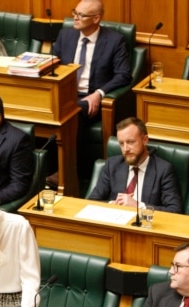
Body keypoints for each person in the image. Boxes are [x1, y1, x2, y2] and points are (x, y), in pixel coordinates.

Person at [51, 0, 132, 184]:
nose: (75, 17)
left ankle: (68, 173)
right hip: (63, 94)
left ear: (96, 18)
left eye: (81, 15)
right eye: (75, 12)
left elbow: (124, 75)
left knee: (71, 112)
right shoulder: (66, 35)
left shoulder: (114, 40)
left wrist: (99, 93)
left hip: (89, 99)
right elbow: (51, 62)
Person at [88, 117, 182, 213]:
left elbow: (174, 210)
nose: (125, 149)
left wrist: (139, 206)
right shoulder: (112, 165)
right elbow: (92, 201)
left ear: (145, 140)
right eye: (121, 143)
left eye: (130, 142)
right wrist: (114, 204)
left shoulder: (163, 170)